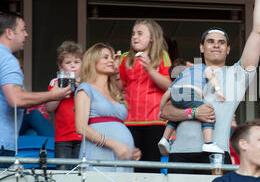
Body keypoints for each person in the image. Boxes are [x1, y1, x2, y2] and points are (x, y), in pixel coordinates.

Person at [160, 0, 260, 174]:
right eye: (210, 41)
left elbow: (258, 31)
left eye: (221, 42)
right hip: (179, 154)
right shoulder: (188, 73)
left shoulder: (237, 74)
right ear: (201, 48)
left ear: (228, 50)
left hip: (216, 155)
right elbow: (165, 112)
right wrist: (192, 112)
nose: (216, 46)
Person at [0, 12, 71, 152]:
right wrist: (53, 95)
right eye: (22, 30)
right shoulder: (7, 60)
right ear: (9, 33)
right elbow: (16, 99)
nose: (26, 34)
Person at [75, 43, 141, 172]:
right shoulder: (85, 88)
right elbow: (81, 127)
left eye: (111, 57)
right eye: (105, 57)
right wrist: (115, 145)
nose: (111, 60)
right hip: (98, 154)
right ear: (93, 62)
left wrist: (129, 149)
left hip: (122, 158)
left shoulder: (114, 93)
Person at [117, 19, 172, 173]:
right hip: (130, 119)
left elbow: (169, 85)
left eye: (140, 33)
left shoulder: (161, 56)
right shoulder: (125, 58)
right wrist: (115, 71)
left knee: (151, 163)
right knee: (132, 162)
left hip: (155, 119)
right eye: (133, 33)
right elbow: (119, 87)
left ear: (152, 38)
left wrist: (149, 69)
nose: (135, 37)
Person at [157, 61, 226, 156]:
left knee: (176, 116)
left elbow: (165, 96)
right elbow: (211, 76)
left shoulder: (179, 78)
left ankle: (164, 139)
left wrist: (160, 111)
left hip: (175, 94)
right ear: (188, 65)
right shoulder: (201, 67)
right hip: (190, 93)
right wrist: (218, 91)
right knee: (207, 111)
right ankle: (208, 143)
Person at [46, 41, 84, 170]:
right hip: (62, 137)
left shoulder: (87, 82)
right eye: (68, 63)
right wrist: (59, 93)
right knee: (62, 172)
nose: (73, 66)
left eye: (77, 62)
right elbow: (49, 108)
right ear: (61, 67)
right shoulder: (55, 82)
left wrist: (82, 88)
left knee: (80, 172)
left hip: (83, 135)